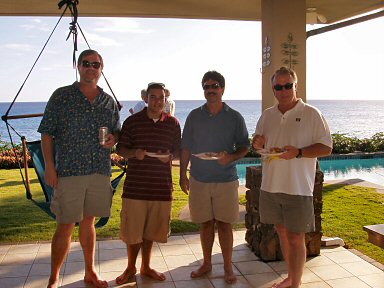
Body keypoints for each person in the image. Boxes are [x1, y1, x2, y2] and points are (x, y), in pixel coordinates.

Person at [38, 49, 121, 288]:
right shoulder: (62, 96)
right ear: (78, 66)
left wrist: (113, 138)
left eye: (96, 64)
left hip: (99, 171)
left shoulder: (108, 101)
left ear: (101, 70)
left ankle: (89, 273)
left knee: (89, 223)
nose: (91, 68)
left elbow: (117, 130)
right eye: (86, 63)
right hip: (70, 172)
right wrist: (50, 167)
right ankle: (53, 279)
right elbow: (47, 133)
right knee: (65, 225)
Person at [252, 66, 332, 288]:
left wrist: (297, 153)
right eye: (279, 86)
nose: (284, 90)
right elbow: (259, 143)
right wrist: (257, 143)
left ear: (296, 86)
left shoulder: (311, 113)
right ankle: (290, 276)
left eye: (288, 85)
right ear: (273, 88)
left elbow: (326, 147)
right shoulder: (267, 115)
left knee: (296, 236)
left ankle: (295, 283)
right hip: (271, 185)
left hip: (298, 187)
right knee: (282, 232)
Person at [179, 71, 249, 284]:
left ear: (222, 89)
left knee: (225, 224)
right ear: (204, 90)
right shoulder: (194, 115)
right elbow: (186, 147)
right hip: (199, 178)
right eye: (207, 86)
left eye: (215, 85)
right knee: (206, 224)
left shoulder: (234, 117)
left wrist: (230, 157)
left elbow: (244, 146)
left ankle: (228, 267)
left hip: (226, 179)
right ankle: (207, 263)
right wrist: (183, 174)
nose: (211, 89)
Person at [115, 82, 181, 285]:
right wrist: (134, 153)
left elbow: (179, 151)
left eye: (161, 98)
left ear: (165, 99)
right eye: (153, 97)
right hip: (136, 187)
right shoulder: (133, 122)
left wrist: (169, 156)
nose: (158, 101)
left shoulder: (173, 123)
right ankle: (130, 268)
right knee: (133, 232)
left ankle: (146, 266)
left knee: (151, 231)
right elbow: (120, 148)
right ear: (146, 98)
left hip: (160, 187)